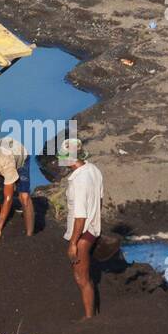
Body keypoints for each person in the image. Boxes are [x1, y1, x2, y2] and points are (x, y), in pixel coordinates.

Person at [59, 137, 102, 319]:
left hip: (82, 234)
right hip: (93, 229)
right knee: (85, 276)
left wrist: (73, 243)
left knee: (81, 278)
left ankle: (89, 318)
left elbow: (80, 216)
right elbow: (99, 201)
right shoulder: (93, 170)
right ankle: (91, 312)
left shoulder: (78, 181)